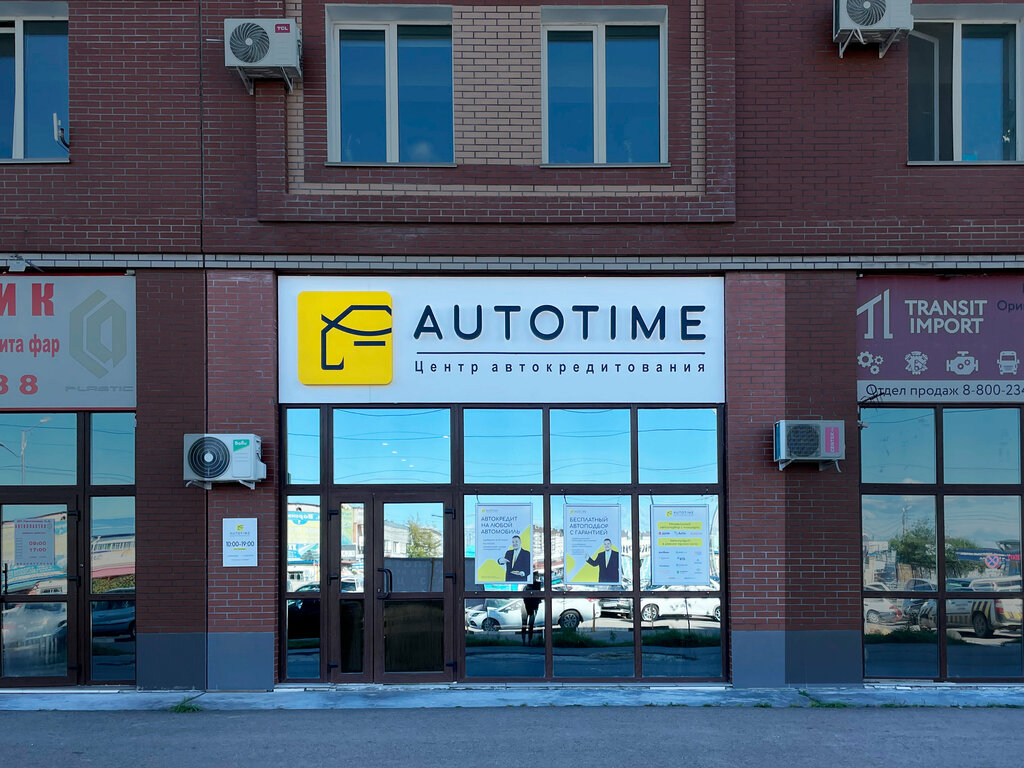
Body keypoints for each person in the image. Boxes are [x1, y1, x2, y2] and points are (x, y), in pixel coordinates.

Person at [521, 573, 542, 645]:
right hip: (527, 604)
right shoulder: (527, 585)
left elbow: (538, 594)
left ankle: (529, 640)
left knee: (531, 624)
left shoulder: (537, 585)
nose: (534, 578)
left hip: (533, 606)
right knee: (524, 623)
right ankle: (524, 640)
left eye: (535, 576)